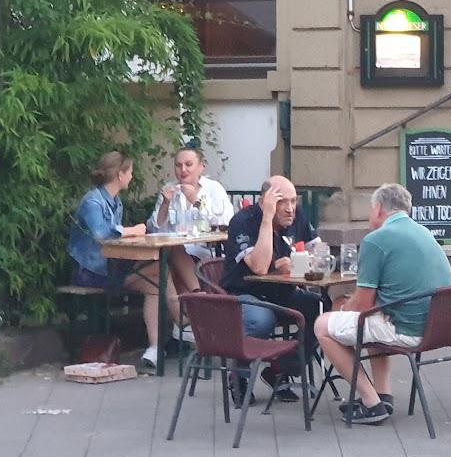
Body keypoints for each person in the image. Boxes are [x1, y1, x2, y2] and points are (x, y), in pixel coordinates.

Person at [314, 183, 451, 425]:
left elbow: (363, 305)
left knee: (322, 326)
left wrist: (342, 308)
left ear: (378, 208)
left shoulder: (376, 240)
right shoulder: (423, 232)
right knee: (371, 320)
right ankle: (383, 393)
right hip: (438, 328)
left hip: (407, 329)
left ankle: (371, 403)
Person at [68, 151, 197, 370]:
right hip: (90, 271)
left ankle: (157, 347)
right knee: (159, 272)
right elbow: (102, 234)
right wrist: (133, 230)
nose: (132, 176)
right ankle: (185, 324)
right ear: (120, 174)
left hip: (111, 266)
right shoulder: (92, 201)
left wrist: (132, 234)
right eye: (130, 172)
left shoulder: (115, 202)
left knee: (156, 279)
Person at [221, 176, 322, 407]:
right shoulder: (243, 221)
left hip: (281, 292)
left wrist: (304, 262)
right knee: (261, 319)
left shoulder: (295, 216)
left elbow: (318, 251)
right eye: (282, 202)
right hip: (244, 293)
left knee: (319, 307)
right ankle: (240, 377)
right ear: (265, 201)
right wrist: (267, 219)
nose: (290, 209)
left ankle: (280, 369)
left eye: (293, 201)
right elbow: (258, 266)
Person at [150, 145, 234, 262]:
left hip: (203, 253)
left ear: (201, 167)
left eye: (188, 164)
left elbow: (225, 222)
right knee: (148, 272)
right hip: (169, 253)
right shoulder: (169, 189)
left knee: (175, 252)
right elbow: (154, 230)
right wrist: (165, 204)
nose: (183, 170)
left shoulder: (214, 188)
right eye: (178, 165)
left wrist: (196, 201)